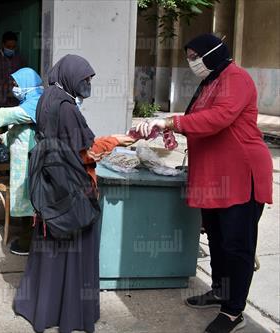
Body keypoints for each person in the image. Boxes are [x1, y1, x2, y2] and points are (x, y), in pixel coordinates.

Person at [137, 34, 273, 333]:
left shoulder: (235, 78)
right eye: (188, 57)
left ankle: (234, 311)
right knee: (216, 239)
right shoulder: (211, 80)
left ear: (213, 54)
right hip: (214, 176)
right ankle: (221, 292)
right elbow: (197, 119)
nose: (192, 62)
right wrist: (173, 130)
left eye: (194, 56)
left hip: (240, 174)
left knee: (237, 245)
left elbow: (220, 117)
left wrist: (171, 122)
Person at [13, 54, 136, 333]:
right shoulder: (67, 107)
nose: (88, 83)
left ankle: (41, 309)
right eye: (85, 78)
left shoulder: (48, 98)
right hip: (71, 188)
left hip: (51, 185)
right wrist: (116, 140)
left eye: (90, 79)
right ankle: (71, 314)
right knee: (75, 245)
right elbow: (86, 151)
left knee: (50, 249)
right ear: (71, 76)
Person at [0, 67, 43, 256]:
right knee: (26, 198)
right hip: (25, 158)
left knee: (29, 200)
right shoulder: (30, 101)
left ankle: (27, 243)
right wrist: (4, 137)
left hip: (31, 159)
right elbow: (19, 128)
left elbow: (14, 115)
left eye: (16, 84)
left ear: (28, 85)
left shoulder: (35, 102)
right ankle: (26, 238)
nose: (13, 88)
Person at [0, 31, 26, 107]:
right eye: (8, 47)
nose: (11, 49)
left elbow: (24, 77)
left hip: (14, 101)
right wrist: (2, 86)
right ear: (3, 45)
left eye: (13, 47)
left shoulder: (19, 59)